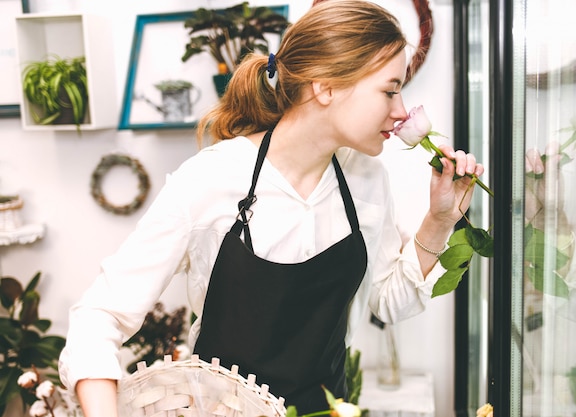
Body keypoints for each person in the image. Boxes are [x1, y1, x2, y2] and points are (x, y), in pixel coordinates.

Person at [58, 1, 484, 416]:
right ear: (326, 86)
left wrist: (440, 219)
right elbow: (98, 317)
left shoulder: (367, 180)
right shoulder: (210, 179)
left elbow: (389, 302)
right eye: (390, 90)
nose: (401, 112)